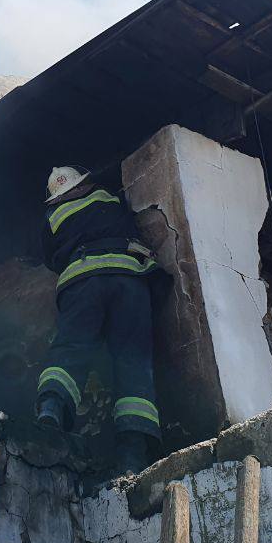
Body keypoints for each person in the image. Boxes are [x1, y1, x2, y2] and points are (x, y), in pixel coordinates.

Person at [36, 164, 161, 475]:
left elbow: (51, 259)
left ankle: (51, 410)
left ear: (56, 197)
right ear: (83, 183)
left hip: (82, 280)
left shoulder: (52, 218)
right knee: (132, 359)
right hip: (127, 277)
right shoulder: (109, 199)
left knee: (72, 348)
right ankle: (133, 454)